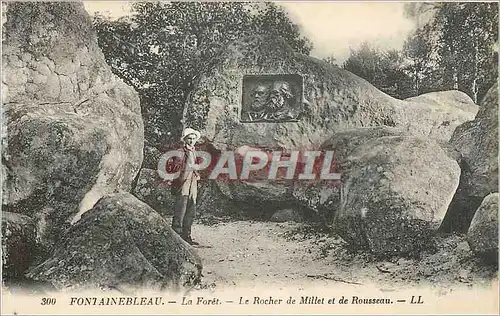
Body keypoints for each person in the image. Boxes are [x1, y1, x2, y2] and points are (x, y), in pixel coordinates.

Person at [171, 127, 201, 245]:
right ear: (185, 139)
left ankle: (186, 236)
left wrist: (196, 173)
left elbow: (196, 166)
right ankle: (176, 236)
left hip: (192, 181)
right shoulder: (180, 152)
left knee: (191, 208)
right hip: (183, 181)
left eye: (193, 139)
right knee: (181, 208)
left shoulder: (194, 151)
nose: (191, 141)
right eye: (189, 138)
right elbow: (175, 167)